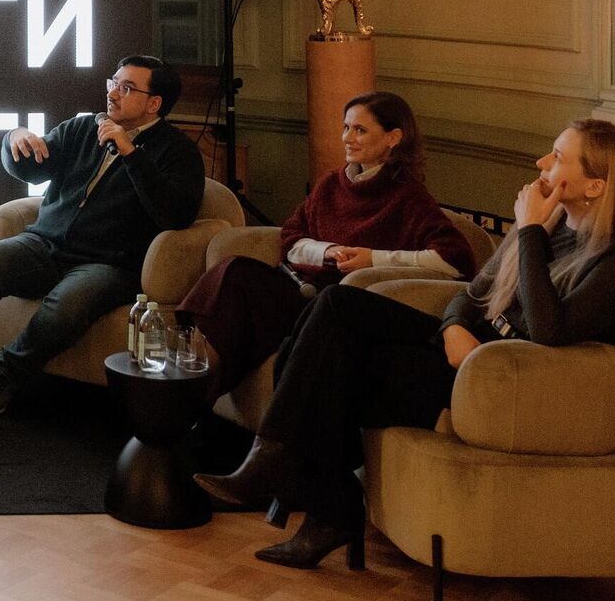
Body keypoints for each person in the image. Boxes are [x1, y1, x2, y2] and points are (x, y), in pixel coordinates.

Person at [196, 118, 615, 570]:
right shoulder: (550, 224)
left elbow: (548, 330)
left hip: (505, 381)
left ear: (596, 185)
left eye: (558, 157)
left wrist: (530, 234)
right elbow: (472, 294)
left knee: (333, 366)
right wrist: (453, 328)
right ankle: (280, 465)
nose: (541, 163)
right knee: (334, 307)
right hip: (468, 347)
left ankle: (318, 498)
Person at [0, 54, 205, 427]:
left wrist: (130, 153)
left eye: (127, 88)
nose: (113, 93)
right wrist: (14, 138)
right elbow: (31, 167)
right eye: (113, 83)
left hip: (108, 263)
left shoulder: (177, 151)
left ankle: (6, 374)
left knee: (69, 301)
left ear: (154, 104)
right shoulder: (84, 128)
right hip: (44, 246)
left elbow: (175, 214)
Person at [178, 91, 476, 393]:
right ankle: (188, 382)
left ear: (393, 138)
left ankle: (190, 393)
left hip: (332, 309)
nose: (347, 138)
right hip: (297, 286)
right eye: (346, 127)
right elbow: (291, 237)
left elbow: (456, 260)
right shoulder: (331, 183)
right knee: (233, 271)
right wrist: (327, 251)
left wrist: (373, 258)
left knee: (238, 299)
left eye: (360, 130)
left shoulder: (408, 196)